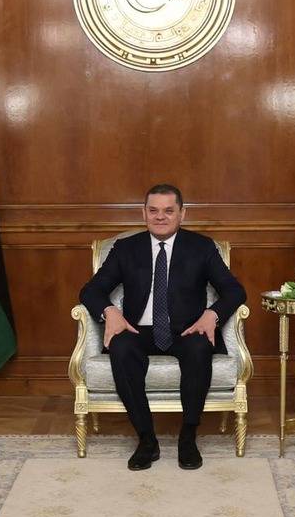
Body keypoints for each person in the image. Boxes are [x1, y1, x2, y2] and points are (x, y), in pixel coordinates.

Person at [78, 183, 246, 471]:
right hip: (138, 330)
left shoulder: (202, 247)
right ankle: (146, 439)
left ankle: (188, 437)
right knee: (120, 346)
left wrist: (212, 314)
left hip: (187, 330)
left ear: (182, 213)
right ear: (144, 213)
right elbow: (91, 290)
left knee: (200, 347)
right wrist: (110, 311)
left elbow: (234, 290)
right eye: (153, 210)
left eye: (168, 211)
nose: (160, 217)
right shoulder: (126, 248)